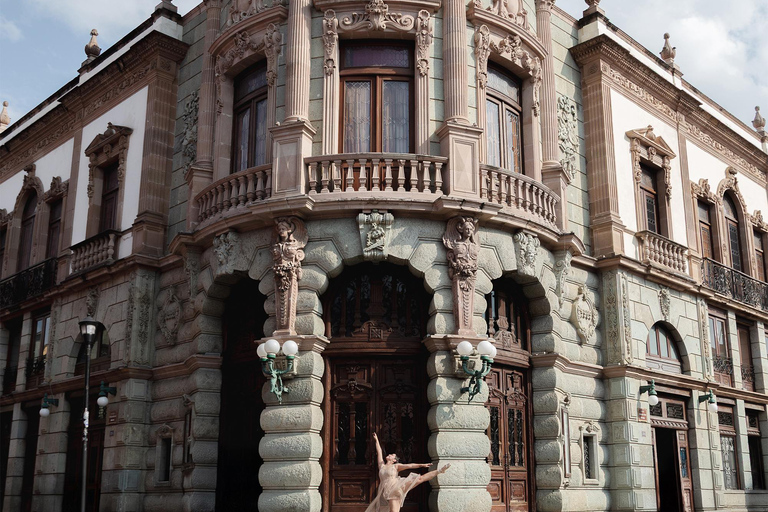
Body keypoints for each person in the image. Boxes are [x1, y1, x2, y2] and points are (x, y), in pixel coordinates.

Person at [366, 432, 450, 512]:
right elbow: (379, 452)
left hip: (396, 487)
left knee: (420, 479)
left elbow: (410, 465)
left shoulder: (396, 466)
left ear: (394, 460)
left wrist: (422, 465)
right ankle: (439, 471)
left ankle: (439, 471)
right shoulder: (382, 466)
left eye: (392, 455)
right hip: (385, 490)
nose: (390, 454)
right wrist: (376, 440)